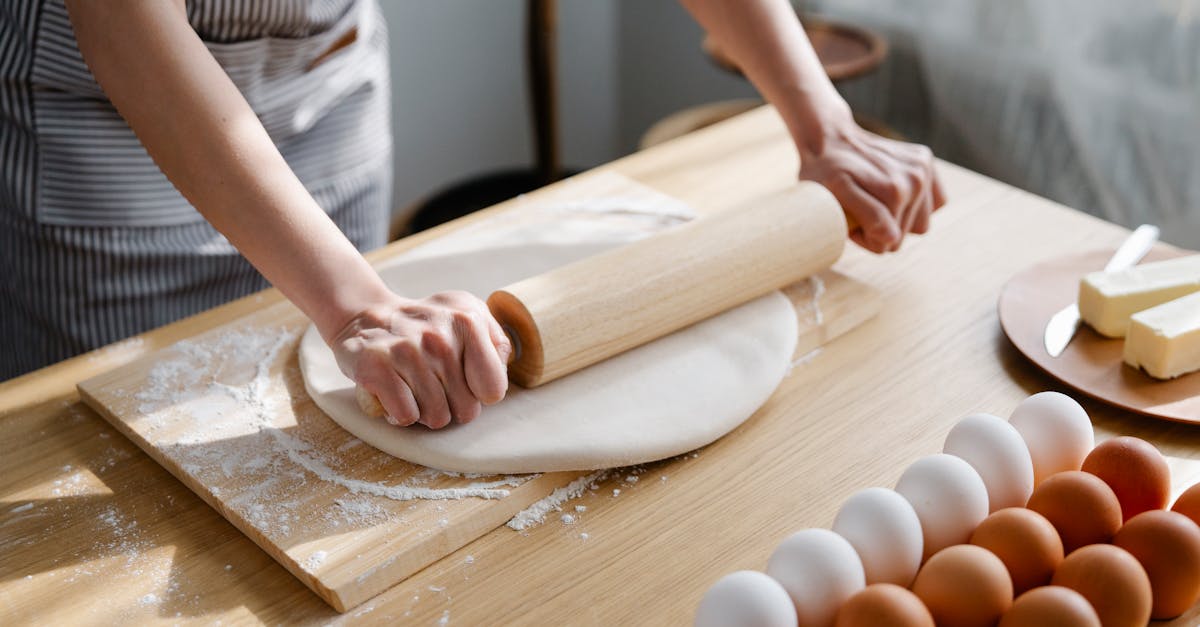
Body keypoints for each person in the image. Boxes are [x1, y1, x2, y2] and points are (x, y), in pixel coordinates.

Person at [0, 0, 944, 426]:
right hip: (111, 144)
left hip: (327, 90)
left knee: (328, 416)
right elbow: (122, 18)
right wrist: (355, 304)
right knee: (133, 445)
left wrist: (824, 122)